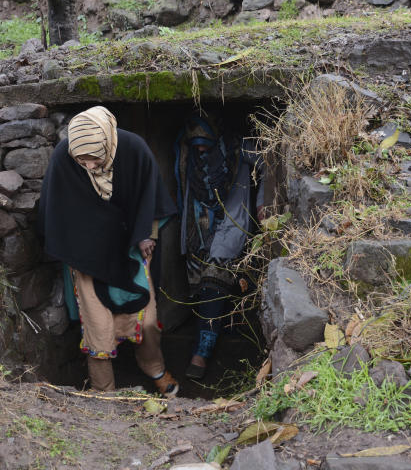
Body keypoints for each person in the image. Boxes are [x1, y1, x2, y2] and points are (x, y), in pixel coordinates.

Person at [38, 106, 179, 396]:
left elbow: (151, 195)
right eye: (82, 160)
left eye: (94, 157)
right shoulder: (64, 158)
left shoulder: (133, 149)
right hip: (86, 255)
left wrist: (146, 235)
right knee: (98, 328)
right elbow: (55, 210)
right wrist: (73, 250)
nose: (89, 166)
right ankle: (104, 394)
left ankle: (155, 368)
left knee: (147, 320)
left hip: (130, 249)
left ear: (107, 142)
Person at [175, 115, 265, 380]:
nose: (201, 150)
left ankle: (200, 355)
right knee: (203, 286)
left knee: (214, 283)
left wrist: (263, 201)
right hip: (200, 226)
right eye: (196, 145)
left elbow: (270, 162)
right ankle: (221, 333)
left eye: (206, 145)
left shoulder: (240, 148)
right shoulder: (187, 153)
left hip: (233, 221)